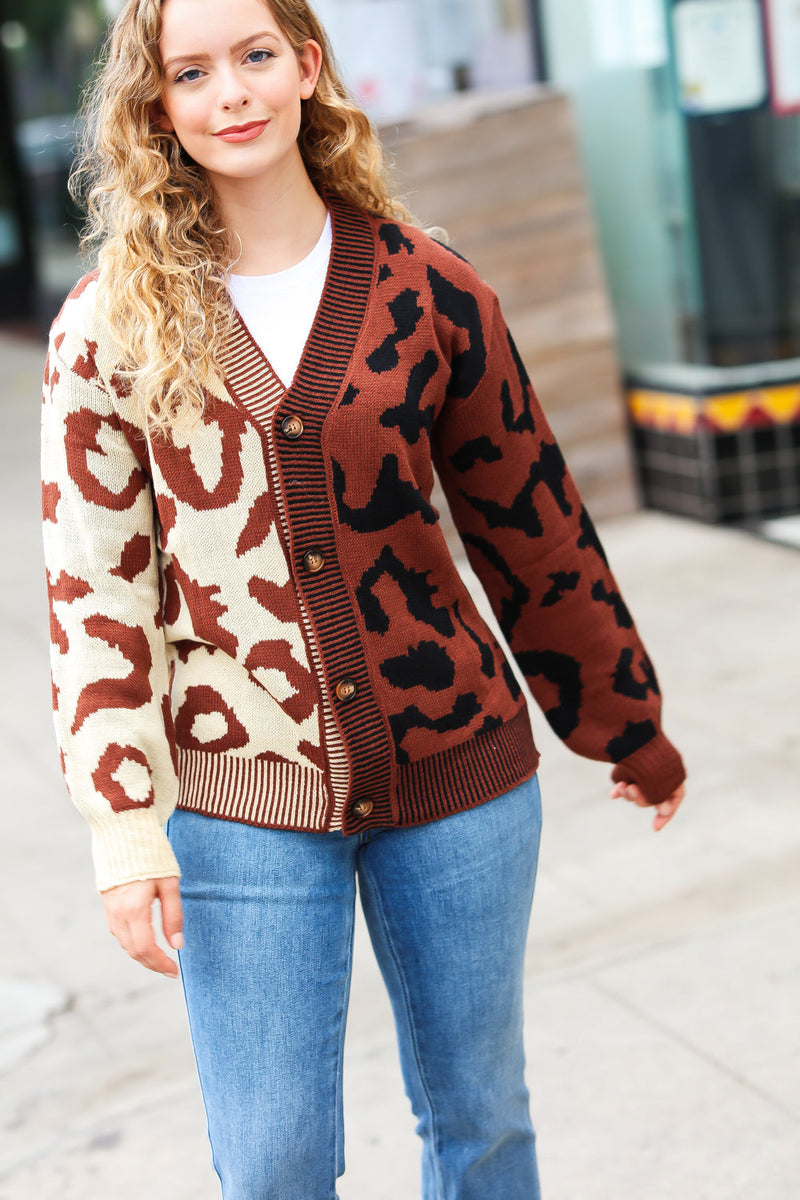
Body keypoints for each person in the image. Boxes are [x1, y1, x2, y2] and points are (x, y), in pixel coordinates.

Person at [41, 0, 686, 1196]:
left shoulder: (428, 289)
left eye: (254, 57)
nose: (230, 92)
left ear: (306, 68)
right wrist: (123, 827)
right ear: (157, 105)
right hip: (239, 796)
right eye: (192, 72)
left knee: (479, 1118)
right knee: (274, 1160)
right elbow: (95, 589)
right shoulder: (108, 325)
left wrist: (623, 723)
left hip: (455, 773)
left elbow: (530, 524)